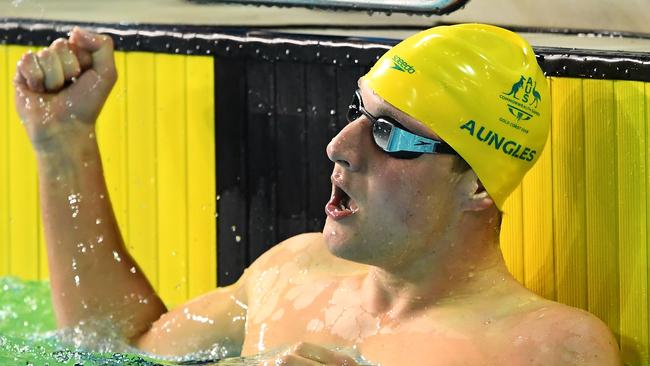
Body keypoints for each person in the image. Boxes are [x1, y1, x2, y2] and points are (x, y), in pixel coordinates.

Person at [14, 24, 622, 365]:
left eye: (391, 134)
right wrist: (63, 147)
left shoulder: (546, 348)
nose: (339, 146)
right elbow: (117, 349)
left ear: (477, 185)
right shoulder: (293, 273)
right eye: (362, 115)